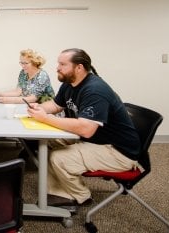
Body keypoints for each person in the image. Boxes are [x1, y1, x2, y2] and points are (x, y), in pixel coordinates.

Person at [26, 48, 141, 211]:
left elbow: (86, 129)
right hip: (96, 139)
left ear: (79, 67)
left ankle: (81, 196)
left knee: (58, 158)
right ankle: (60, 191)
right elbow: (55, 105)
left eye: (62, 64)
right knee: (45, 142)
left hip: (118, 151)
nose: (57, 67)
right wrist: (39, 109)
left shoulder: (95, 90)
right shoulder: (69, 83)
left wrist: (46, 118)